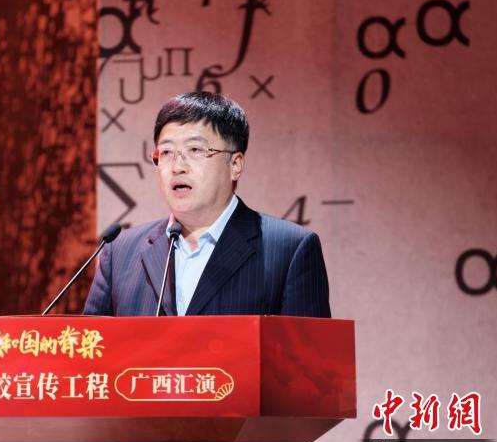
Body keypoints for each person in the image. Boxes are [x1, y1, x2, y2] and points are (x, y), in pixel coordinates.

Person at [84, 92, 330, 317]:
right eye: (166, 152)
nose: (177, 167)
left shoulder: (289, 250)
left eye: (195, 150)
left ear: (235, 165)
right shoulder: (120, 252)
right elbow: (91, 347)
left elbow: (308, 351)